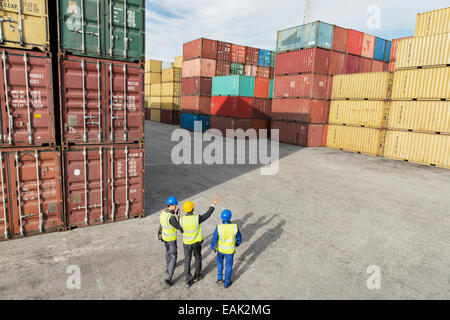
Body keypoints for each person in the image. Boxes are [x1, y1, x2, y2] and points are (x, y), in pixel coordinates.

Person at [180, 198, 219, 287]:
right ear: (192, 209)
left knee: (187, 260)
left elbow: (181, 230)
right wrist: (213, 205)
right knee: (197, 257)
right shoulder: (196, 218)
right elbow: (207, 215)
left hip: (186, 243)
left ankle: (188, 279)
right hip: (196, 243)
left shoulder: (181, 220)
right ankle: (197, 275)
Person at [211, 209, 242, 288]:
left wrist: (213, 248)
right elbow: (239, 237)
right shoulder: (235, 227)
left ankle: (219, 278)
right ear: (230, 217)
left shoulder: (219, 227)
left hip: (220, 250)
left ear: (221, 218)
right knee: (228, 266)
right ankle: (226, 283)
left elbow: (214, 238)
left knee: (220, 263)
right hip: (230, 251)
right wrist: (237, 243)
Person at [158, 196, 183, 287]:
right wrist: (179, 217)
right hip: (171, 239)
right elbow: (179, 227)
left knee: (167, 253)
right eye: (175, 205)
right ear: (170, 205)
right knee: (173, 257)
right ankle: (168, 278)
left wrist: (159, 233)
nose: (176, 207)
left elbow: (161, 225)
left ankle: (168, 267)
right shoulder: (172, 217)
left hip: (165, 238)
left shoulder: (163, 213)